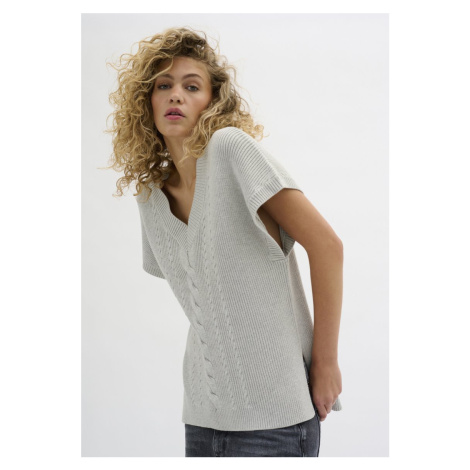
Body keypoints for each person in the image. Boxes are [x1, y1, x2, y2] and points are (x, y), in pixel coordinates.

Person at [106, 26, 343, 457]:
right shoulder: (149, 197)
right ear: (147, 101)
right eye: (164, 85)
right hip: (201, 419)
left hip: (277, 419)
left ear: (212, 101)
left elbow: (327, 246)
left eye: (191, 86)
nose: (176, 96)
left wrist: (325, 364)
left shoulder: (231, 150)